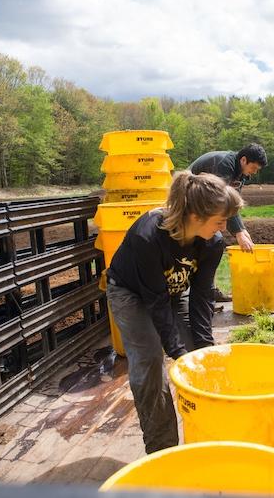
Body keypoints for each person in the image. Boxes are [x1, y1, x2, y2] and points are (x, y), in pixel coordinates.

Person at [105, 171, 244, 454]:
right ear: (195, 216)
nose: (224, 227)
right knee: (150, 361)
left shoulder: (212, 242)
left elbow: (202, 297)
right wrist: (176, 352)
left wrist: (203, 349)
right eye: (219, 221)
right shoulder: (148, 236)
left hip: (169, 292)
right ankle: (162, 449)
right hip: (131, 293)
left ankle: (207, 433)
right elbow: (154, 302)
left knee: (199, 354)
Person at [187, 143, 267, 253]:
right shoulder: (224, 166)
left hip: (201, 200)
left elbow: (232, 203)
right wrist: (239, 233)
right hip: (187, 198)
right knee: (209, 240)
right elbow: (223, 201)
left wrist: (242, 230)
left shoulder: (241, 172)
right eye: (253, 167)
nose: (254, 172)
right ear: (243, 160)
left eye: (257, 169)